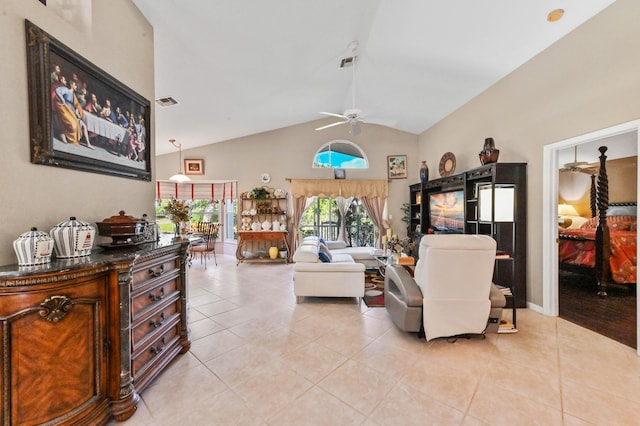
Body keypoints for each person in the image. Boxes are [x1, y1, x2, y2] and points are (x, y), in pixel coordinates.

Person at [53, 78, 94, 148]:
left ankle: (88, 144)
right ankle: (63, 134)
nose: (76, 87)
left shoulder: (73, 95)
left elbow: (76, 105)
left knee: (84, 126)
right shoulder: (65, 90)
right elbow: (57, 91)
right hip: (65, 110)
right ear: (71, 85)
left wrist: (77, 111)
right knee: (73, 124)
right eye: (75, 85)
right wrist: (62, 100)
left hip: (73, 112)